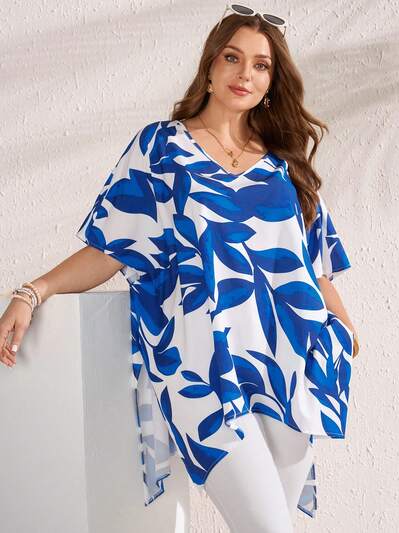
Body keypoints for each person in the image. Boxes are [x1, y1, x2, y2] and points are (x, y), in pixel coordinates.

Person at [0, 5, 360, 532]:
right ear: (210, 66)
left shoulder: (284, 165)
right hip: (203, 368)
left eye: (261, 65)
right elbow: (113, 246)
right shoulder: (162, 147)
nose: (244, 73)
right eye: (232, 58)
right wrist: (33, 291)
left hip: (291, 366)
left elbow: (314, 264)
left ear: (271, 82)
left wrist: (343, 329)